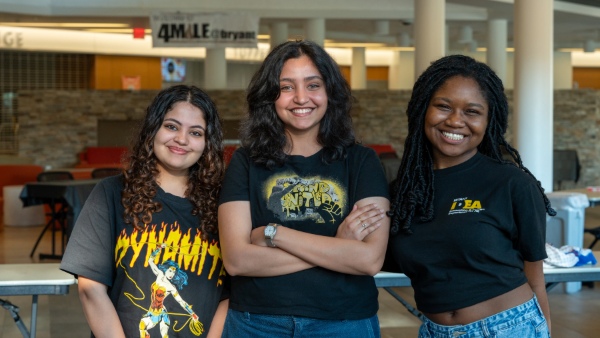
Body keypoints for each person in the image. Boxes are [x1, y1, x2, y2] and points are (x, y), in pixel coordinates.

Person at [218, 40, 390, 338]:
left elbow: (368, 260)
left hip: (344, 323)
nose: (300, 98)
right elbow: (236, 260)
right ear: (269, 96)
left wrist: (273, 234)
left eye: (313, 85)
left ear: (330, 92)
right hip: (256, 323)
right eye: (286, 87)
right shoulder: (245, 162)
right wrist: (337, 245)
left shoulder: (363, 161)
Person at [387, 54, 555, 337]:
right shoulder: (403, 192)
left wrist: (545, 330)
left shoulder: (511, 183)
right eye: (443, 106)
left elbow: (535, 276)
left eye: (472, 111)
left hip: (510, 327)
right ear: (422, 109)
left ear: (489, 121)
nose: (455, 121)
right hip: (434, 330)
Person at [60, 85, 229, 338]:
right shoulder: (110, 194)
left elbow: (232, 294)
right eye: (171, 126)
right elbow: (90, 289)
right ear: (153, 130)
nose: (182, 139)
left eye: (195, 132)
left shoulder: (225, 203)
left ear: (207, 142)